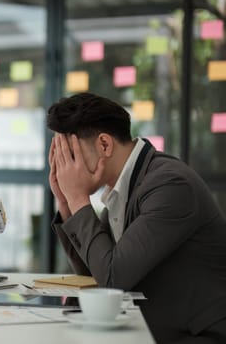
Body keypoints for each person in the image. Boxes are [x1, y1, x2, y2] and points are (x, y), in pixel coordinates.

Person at [47, 92, 226, 343]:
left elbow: (112, 278)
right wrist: (66, 203)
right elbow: (96, 273)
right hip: (149, 328)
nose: (65, 168)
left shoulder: (170, 185)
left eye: (70, 156)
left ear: (105, 145)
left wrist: (77, 198)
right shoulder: (124, 187)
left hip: (198, 336)